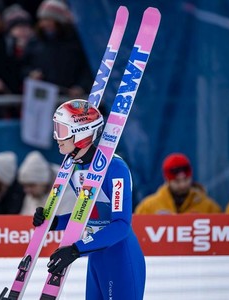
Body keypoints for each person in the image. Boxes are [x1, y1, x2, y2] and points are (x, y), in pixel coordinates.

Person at [33, 99, 145, 299]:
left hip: (120, 257)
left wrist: (76, 249)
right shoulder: (75, 166)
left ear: (81, 135)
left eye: (62, 130)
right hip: (96, 255)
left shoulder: (115, 168)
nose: (56, 137)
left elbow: (121, 225)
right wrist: (55, 222)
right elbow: (89, 214)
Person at [22, 0, 93, 98]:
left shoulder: (75, 42)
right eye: (42, 20)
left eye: (49, 19)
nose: (44, 24)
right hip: (43, 97)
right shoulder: (34, 42)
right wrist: (31, 74)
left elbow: (87, 68)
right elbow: (23, 66)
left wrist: (81, 87)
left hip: (70, 97)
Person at [134, 153, 222, 214]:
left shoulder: (209, 207)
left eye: (186, 179)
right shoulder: (148, 208)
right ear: (167, 180)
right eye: (177, 181)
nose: (182, 185)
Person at [17, 150, 73, 215]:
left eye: (31, 185)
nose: (27, 190)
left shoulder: (68, 195)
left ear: (44, 182)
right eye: (24, 185)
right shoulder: (32, 196)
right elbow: (23, 220)